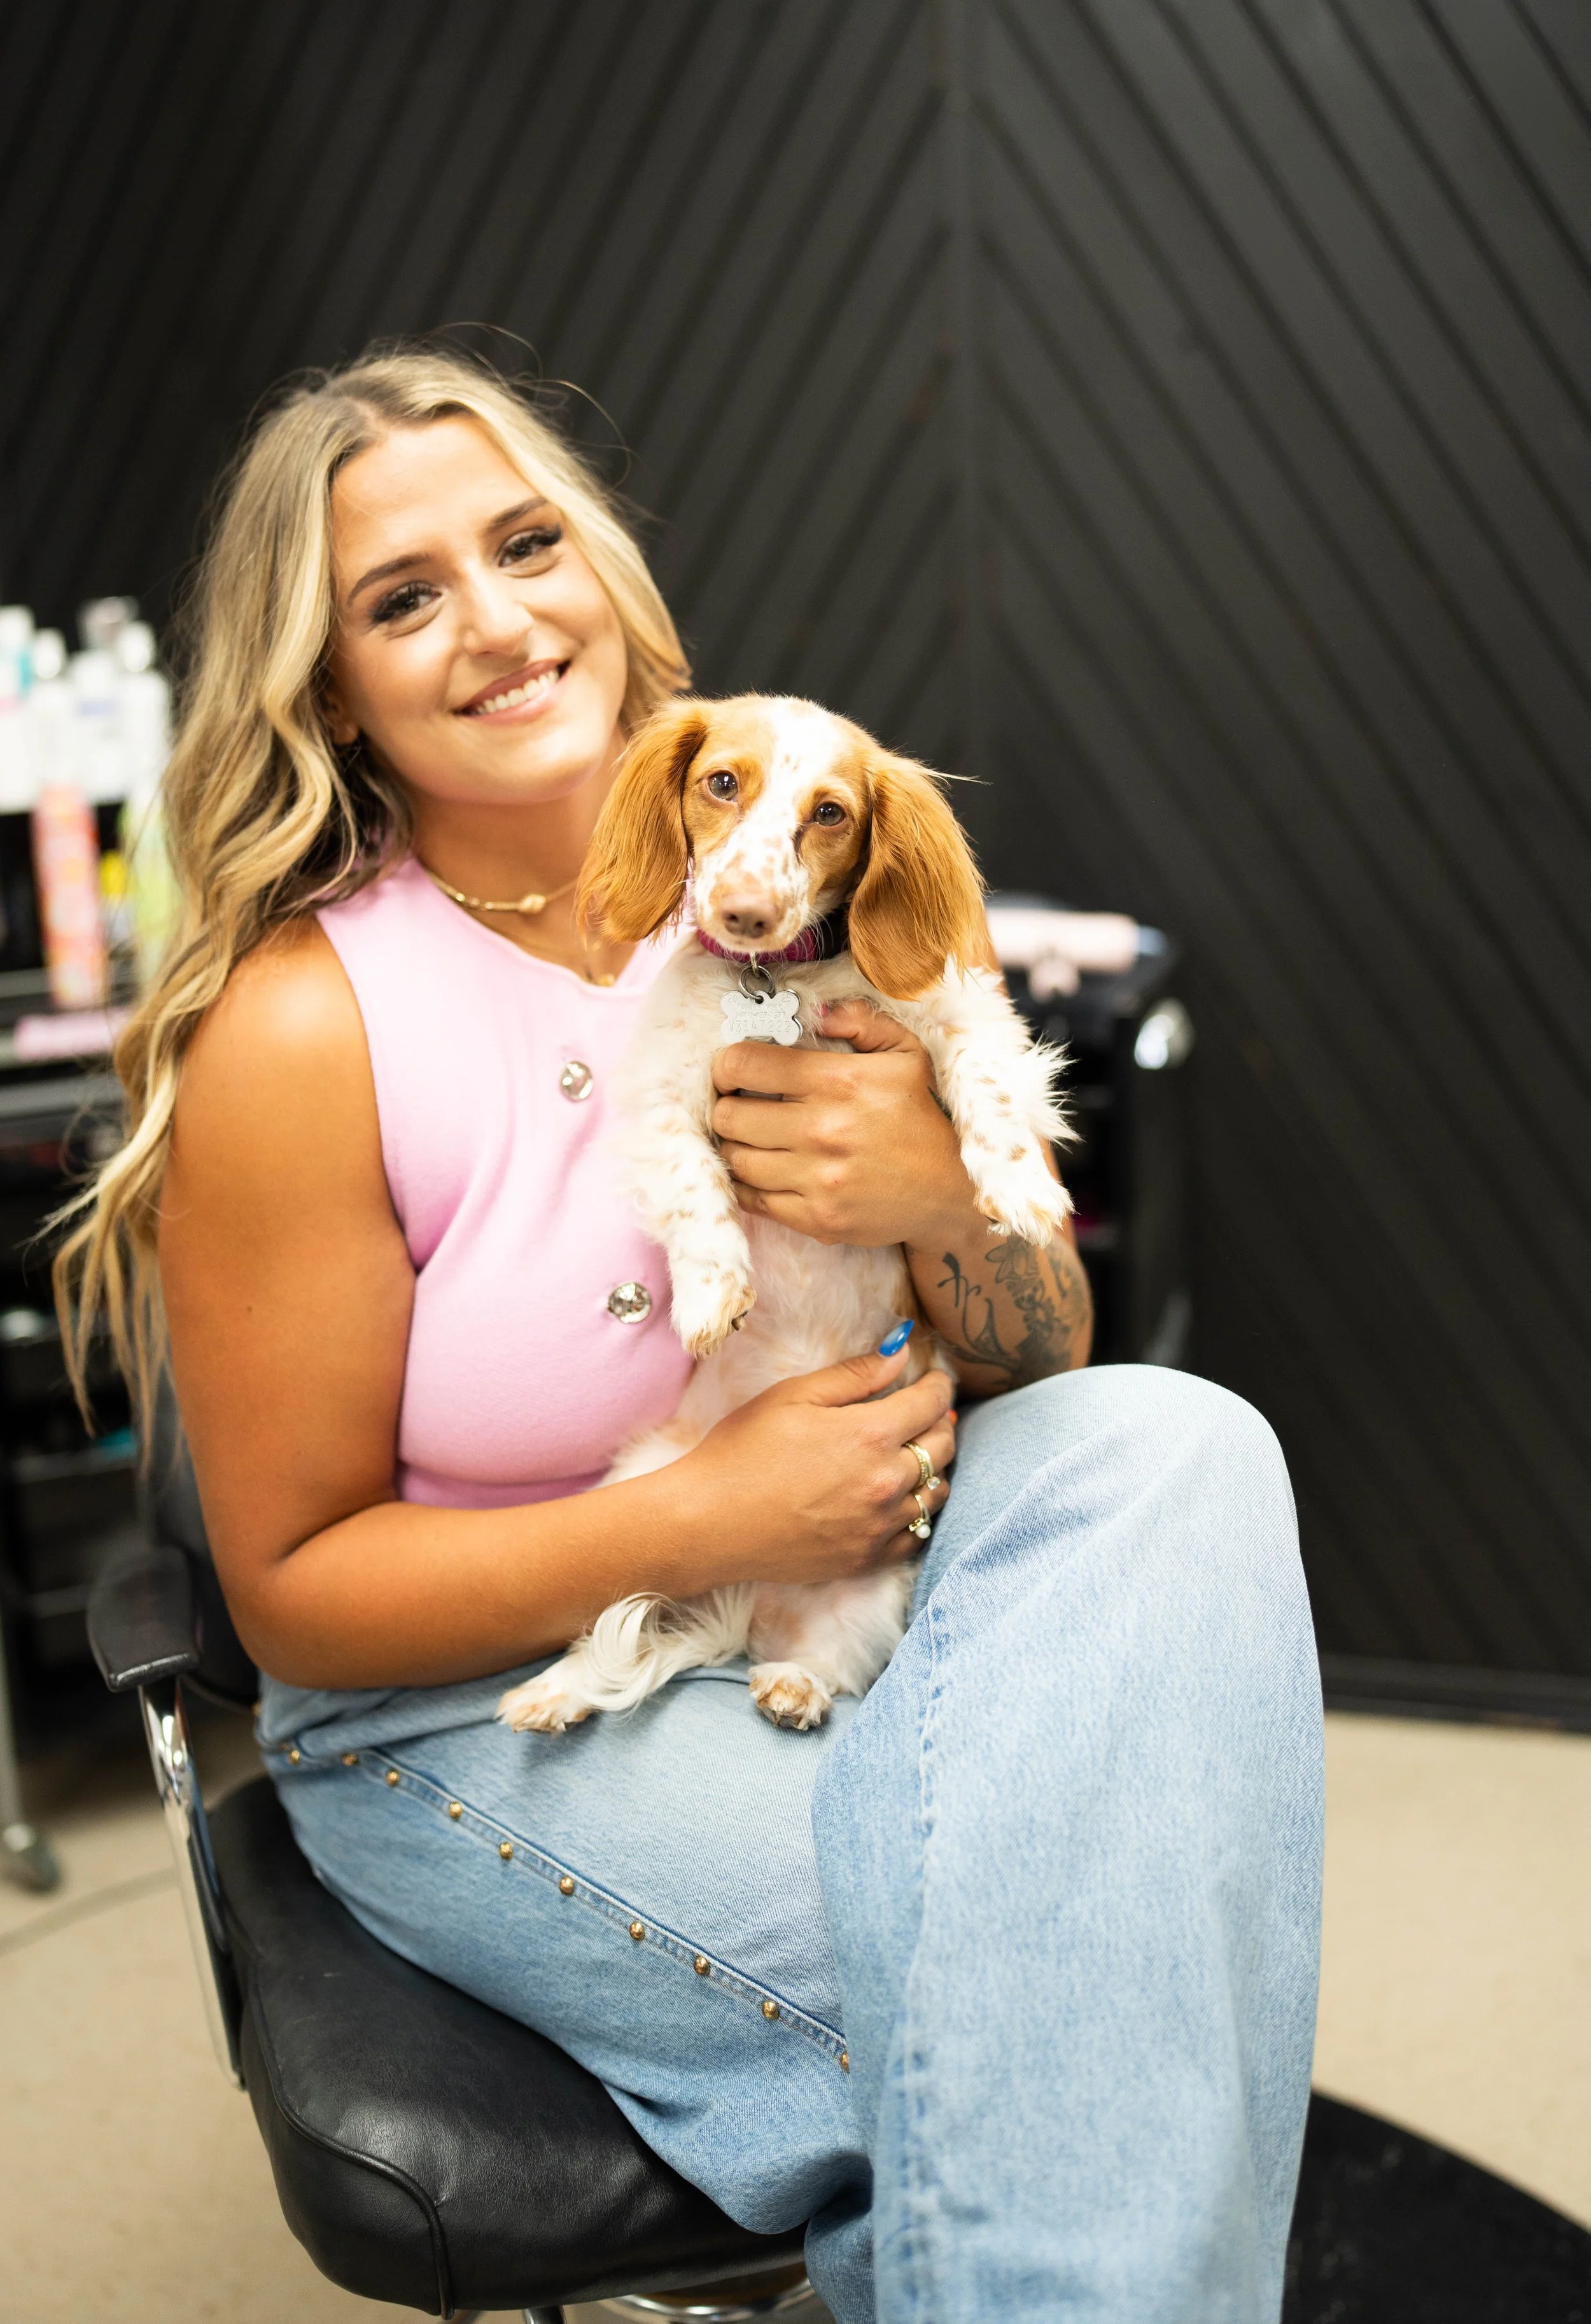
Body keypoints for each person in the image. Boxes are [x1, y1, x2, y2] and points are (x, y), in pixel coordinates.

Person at [60, 348, 1322, 2323]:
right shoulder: (309, 1031)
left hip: (852, 1559)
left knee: (1178, 1442)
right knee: (1091, 1954)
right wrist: (709, 1518)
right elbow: (293, 1601)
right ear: (331, 688)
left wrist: (931, 1195)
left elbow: (1042, 1341)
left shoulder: (805, 868)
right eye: (402, 598)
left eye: (524, 542)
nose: (494, 622)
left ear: (603, 566)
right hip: (470, 1708)